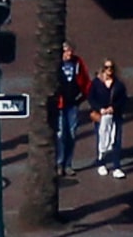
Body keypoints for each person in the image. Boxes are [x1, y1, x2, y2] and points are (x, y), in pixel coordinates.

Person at [55, 41, 91, 175]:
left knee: (71, 134)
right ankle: (59, 163)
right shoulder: (56, 64)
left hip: (73, 104)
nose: (69, 53)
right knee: (60, 134)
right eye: (66, 51)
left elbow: (85, 80)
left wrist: (84, 96)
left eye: (70, 50)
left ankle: (68, 163)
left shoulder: (77, 62)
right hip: (59, 104)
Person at [89, 59, 128, 178]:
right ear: (103, 68)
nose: (109, 70)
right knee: (101, 139)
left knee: (116, 140)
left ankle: (116, 166)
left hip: (115, 116)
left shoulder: (118, 84)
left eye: (111, 67)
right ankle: (101, 163)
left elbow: (124, 99)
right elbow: (91, 98)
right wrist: (100, 108)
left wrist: (113, 108)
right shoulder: (96, 83)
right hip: (101, 116)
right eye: (106, 67)